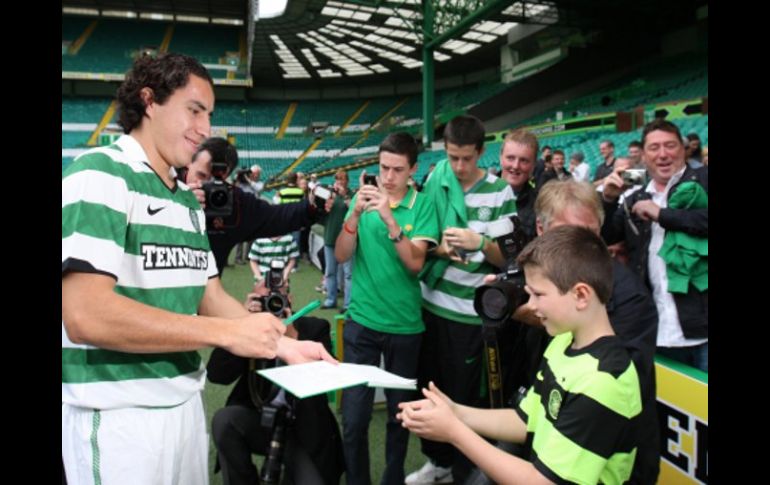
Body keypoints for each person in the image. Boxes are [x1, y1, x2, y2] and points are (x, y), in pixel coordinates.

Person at [62, 53, 334, 485]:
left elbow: (210, 296)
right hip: (118, 417)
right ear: (149, 101)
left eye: (208, 114)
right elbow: (86, 316)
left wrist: (284, 346)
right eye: (194, 110)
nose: (206, 128)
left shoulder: (187, 202)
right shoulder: (99, 175)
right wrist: (225, 334)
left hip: (185, 407)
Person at [398, 225, 643, 485]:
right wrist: (456, 412)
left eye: (538, 294)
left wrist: (454, 431)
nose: (531, 305)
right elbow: (526, 419)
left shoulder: (602, 380)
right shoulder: (563, 342)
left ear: (581, 295)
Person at [499, 179, 660, 485]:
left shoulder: (631, 299)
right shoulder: (538, 277)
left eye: (590, 234)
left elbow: (616, 387)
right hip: (544, 438)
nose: (581, 245)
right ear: (542, 231)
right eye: (569, 233)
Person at [410, 115, 517, 484]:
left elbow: (509, 257)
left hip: (470, 317)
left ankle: (464, 469)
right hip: (430, 306)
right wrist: (439, 248)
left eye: (466, 159)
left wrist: (480, 243)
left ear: (481, 152)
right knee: (429, 388)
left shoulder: (500, 192)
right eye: (452, 157)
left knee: (466, 398)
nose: (458, 166)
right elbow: (422, 238)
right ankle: (437, 462)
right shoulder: (435, 181)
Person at [335, 133, 439, 485]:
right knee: (353, 419)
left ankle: (392, 479)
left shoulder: (423, 205)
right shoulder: (361, 200)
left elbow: (415, 264)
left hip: (405, 327)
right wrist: (354, 215)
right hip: (362, 323)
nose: (389, 177)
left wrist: (390, 220)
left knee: (399, 418)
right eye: (383, 168)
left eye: (397, 169)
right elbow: (341, 255)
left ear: (413, 170)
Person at [208, 283, 345, 485]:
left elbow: (327, 378)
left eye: (277, 298)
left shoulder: (314, 328)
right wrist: (240, 323)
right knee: (224, 420)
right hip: (260, 418)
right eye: (265, 300)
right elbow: (217, 374)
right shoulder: (249, 330)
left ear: (289, 299)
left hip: (303, 428)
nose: (272, 305)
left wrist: (291, 336)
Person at [601, 119, 708, 372]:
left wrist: (661, 214)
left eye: (670, 145)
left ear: (683, 149)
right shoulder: (635, 195)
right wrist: (608, 199)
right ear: (644, 156)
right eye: (654, 148)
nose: (662, 154)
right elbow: (608, 236)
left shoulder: (703, 179)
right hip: (656, 331)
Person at [183, 137, 325, 276]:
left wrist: (313, 205)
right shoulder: (171, 186)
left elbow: (276, 217)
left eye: (216, 179)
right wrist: (179, 202)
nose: (204, 185)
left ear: (226, 176)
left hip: (204, 287)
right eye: (201, 175)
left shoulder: (235, 202)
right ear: (189, 163)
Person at [498, 128, 538, 241]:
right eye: (510, 158)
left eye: (524, 160)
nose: (516, 166)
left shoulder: (540, 205)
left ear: (533, 165)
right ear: (500, 158)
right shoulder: (478, 193)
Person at [321, 170, 353, 311]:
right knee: (330, 272)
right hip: (330, 237)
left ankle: (348, 304)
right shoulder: (329, 194)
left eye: (342, 179)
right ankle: (330, 299)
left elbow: (353, 208)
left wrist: (344, 195)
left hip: (347, 240)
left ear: (347, 181)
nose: (339, 182)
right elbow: (321, 210)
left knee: (348, 274)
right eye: (337, 179)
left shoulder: (352, 195)